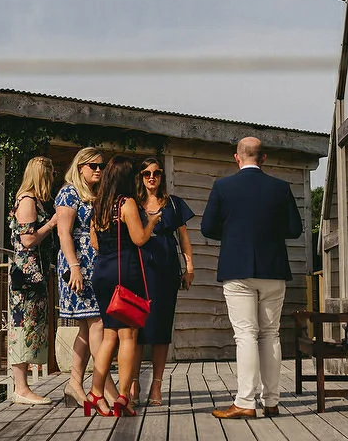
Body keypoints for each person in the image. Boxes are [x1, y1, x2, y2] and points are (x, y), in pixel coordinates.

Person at [201, 136, 302, 419]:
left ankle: (246, 401)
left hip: (237, 268)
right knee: (270, 334)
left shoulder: (223, 186)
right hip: (273, 269)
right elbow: (294, 229)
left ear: (237, 157)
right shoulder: (280, 188)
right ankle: (271, 401)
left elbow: (208, 228)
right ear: (264, 158)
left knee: (245, 334)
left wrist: (234, 233)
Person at [87, 156, 163, 416]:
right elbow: (139, 239)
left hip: (102, 272)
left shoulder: (99, 205)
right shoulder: (126, 203)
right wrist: (151, 222)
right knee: (128, 335)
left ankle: (96, 392)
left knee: (110, 334)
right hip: (124, 271)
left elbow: (94, 243)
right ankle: (122, 396)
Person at [135, 156, 196, 406]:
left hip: (166, 268)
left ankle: (157, 386)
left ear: (162, 176)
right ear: (140, 177)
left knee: (161, 328)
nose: (152, 177)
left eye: (156, 173)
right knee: (135, 329)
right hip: (137, 268)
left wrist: (189, 266)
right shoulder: (133, 204)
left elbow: (183, 237)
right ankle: (133, 383)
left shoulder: (173, 204)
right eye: (147, 173)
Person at [54, 147, 106, 407]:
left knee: (87, 326)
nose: (98, 170)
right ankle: (106, 387)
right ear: (80, 167)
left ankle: (75, 383)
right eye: (93, 166)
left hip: (94, 263)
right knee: (97, 324)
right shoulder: (68, 193)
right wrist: (74, 266)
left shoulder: (93, 194)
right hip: (77, 264)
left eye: (101, 166)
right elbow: (64, 233)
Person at [8, 156, 60, 405]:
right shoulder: (28, 200)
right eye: (48, 175)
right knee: (23, 326)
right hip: (26, 276)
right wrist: (52, 223)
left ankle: (23, 387)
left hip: (32, 274)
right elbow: (27, 240)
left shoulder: (32, 199)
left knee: (30, 324)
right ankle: (21, 388)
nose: (51, 179)